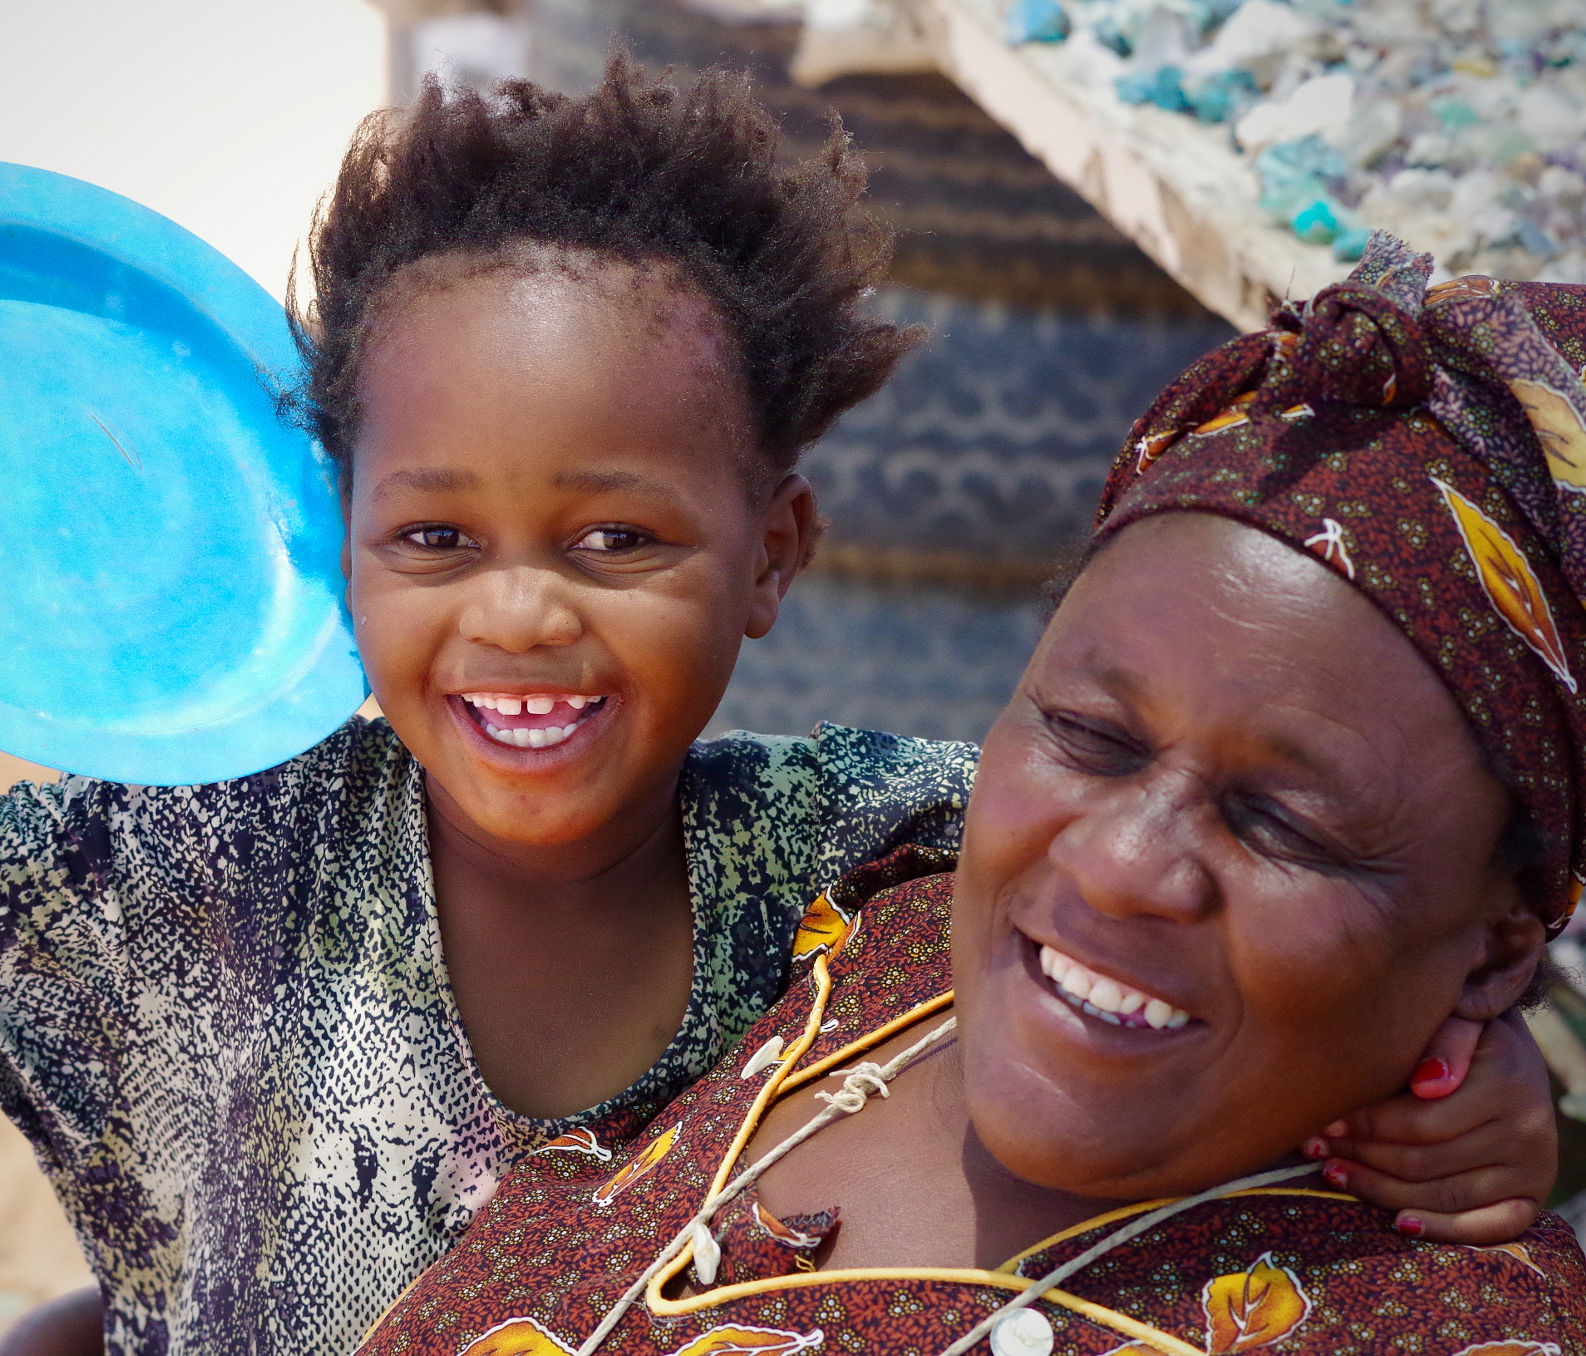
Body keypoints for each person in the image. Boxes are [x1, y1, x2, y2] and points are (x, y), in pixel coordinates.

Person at [0, 58, 1556, 1356]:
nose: (521, 613)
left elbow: (1239, 928)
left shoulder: (862, 858)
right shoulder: (223, 856)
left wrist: (1478, 1084)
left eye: (617, 536)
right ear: (337, 550)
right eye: (437, 535)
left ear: (773, 555)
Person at [352, 238, 1586, 1355]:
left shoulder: (1434, 1324)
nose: (1115, 865)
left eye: (1282, 826)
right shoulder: (887, 935)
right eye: (1090, 736)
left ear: (1494, 953)